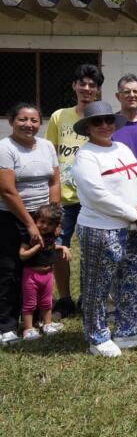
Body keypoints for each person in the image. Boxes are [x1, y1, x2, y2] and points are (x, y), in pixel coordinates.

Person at [71, 101, 137, 357]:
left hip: (132, 227)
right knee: (98, 285)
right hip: (101, 228)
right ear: (88, 127)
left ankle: (128, 331)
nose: (105, 126)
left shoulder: (122, 148)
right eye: (97, 122)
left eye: (109, 120)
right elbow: (97, 195)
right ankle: (97, 338)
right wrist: (134, 214)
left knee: (132, 279)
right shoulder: (86, 155)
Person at [45, 63, 103, 320]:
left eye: (92, 85)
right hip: (65, 198)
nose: (87, 88)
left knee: (93, 250)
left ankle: (87, 298)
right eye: (83, 83)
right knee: (60, 247)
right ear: (74, 86)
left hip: (92, 198)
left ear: (98, 90)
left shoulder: (100, 120)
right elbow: (51, 155)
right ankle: (65, 299)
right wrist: (52, 197)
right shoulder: (60, 116)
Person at [0, 103, 60, 345]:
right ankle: (6, 325)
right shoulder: (5, 148)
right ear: (11, 121)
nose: (29, 124)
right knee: (10, 270)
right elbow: (6, 189)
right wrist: (30, 224)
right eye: (23, 119)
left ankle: (36, 320)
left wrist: (53, 218)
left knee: (39, 265)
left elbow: (55, 182)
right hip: (11, 216)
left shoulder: (46, 147)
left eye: (34, 120)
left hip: (43, 215)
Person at [18, 203, 69, 339]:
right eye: (42, 222)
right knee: (30, 303)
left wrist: (62, 248)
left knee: (47, 302)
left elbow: (51, 247)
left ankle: (47, 324)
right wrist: (35, 248)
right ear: (35, 221)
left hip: (47, 275)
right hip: (31, 275)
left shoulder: (50, 236)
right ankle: (28, 329)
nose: (45, 226)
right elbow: (22, 255)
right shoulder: (31, 237)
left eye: (50, 224)